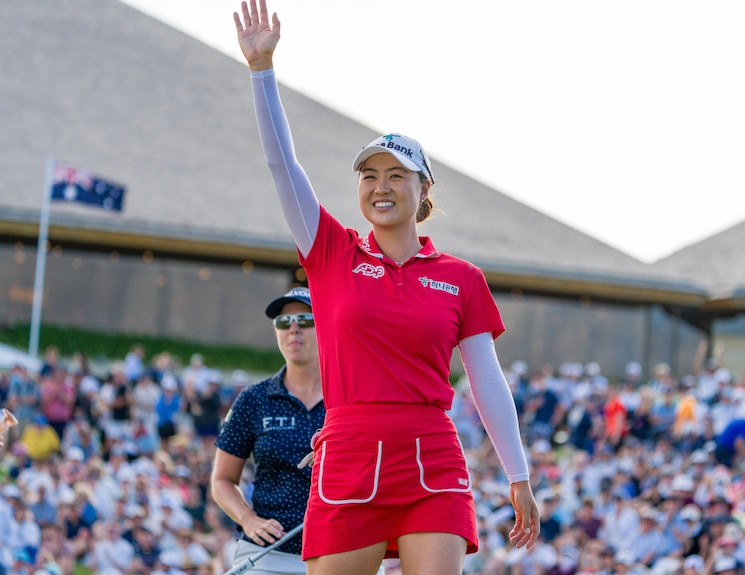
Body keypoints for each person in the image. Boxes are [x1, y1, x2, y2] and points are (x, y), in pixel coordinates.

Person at [232, 2, 540, 574]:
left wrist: (517, 475)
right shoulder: (331, 252)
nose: (380, 186)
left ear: (423, 190)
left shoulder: (461, 277)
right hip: (348, 452)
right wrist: (262, 71)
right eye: (369, 175)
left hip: (432, 458)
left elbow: (487, 379)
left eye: (396, 174)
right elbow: (281, 164)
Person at [211, 287, 326, 575]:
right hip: (267, 554)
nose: (293, 329)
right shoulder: (253, 399)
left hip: (342, 551)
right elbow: (222, 480)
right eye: (283, 323)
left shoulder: (353, 397)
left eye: (305, 319)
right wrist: (248, 520)